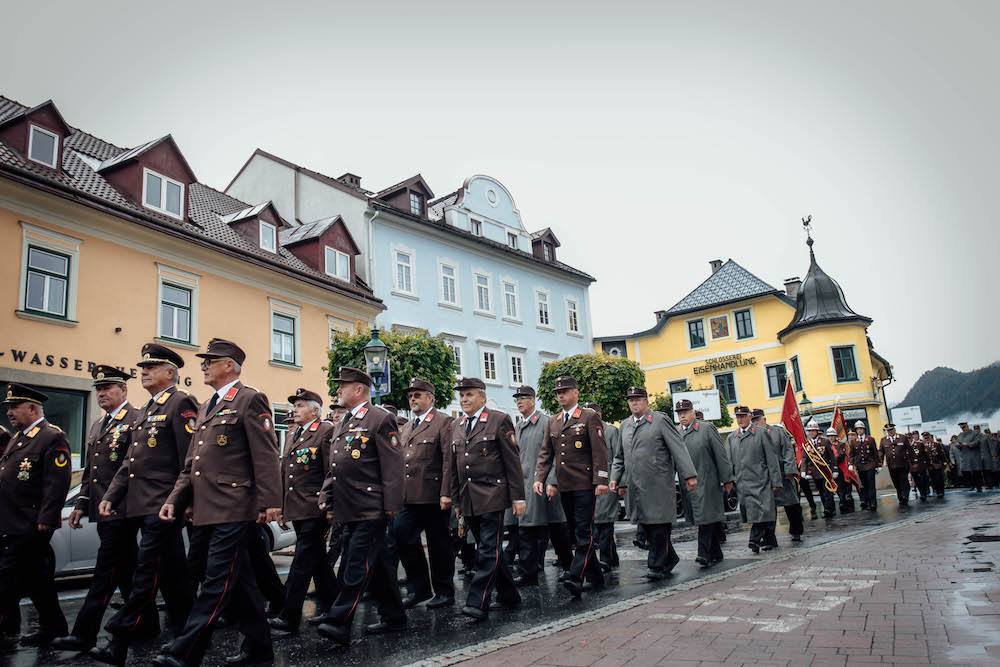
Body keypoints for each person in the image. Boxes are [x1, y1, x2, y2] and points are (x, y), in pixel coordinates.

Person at [152, 338, 282, 667]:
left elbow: (265, 454)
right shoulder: (209, 404)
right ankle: (259, 649)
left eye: (210, 360)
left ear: (229, 365)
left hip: (235, 505)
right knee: (240, 584)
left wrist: (270, 501)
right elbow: (193, 461)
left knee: (217, 580)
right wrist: (176, 499)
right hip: (209, 508)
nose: (203, 365)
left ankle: (186, 651)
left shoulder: (250, 399)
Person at [90, 344, 197, 666]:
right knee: (174, 573)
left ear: (170, 373)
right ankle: (185, 632)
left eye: (151, 368)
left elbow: (188, 459)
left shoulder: (180, 403)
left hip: (164, 503)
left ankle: (119, 639)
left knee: (145, 571)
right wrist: (111, 495)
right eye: (142, 368)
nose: (144, 372)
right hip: (140, 503)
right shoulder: (147, 409)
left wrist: (184, 501)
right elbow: (129, 464)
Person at [54, 366, 158, 653]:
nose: (101, 394)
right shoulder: (98, 425)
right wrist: (82, 503)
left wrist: (114, 500)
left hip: (123, 508)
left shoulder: (137, 418)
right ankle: (148, 624)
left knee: (105, 571)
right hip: (101, 508)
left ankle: (84, 633)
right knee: (127, 570)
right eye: (98, 389)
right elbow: (92, 471)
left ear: (123, 390)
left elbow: (136, 466)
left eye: (107, 388)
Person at [315, 367, 406, 645]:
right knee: (373, 564)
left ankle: (338, 622)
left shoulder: (380, 418)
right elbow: (335, 466)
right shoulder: (344, 422)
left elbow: (393, 466)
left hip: (371, 506)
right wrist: (327, 498)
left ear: (358, 390)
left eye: (343, 386)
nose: (338, 390)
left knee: (356, 563)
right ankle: (394, 615)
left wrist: (391, 505)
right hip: (348, 506)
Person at [444, 377, 524, 622]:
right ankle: (509, 594)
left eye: (469, 395)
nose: (464, 399)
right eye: (461, 395)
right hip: (468, 499)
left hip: (493, 496)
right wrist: (456, 500)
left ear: (482, 397)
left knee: (487, 551)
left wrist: (518, 497)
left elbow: (512, 462)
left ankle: (477, 602)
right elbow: (454, 466)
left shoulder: (499, 420)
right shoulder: (457, 425)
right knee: (490, 550)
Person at [0, 384, 72, 647]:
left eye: (14, 407)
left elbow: (57, 483)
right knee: (36, 580)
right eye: (7, 408)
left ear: (32, 408)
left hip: (29, 523)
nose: (9, 412)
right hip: (10, 520)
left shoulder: (51, 437)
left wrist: (46, 518)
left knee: (6, 577)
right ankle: (54, 627)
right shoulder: (19, 438)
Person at [268, 388, 338, 634]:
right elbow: (286, 473)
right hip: (297, 508)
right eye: (294, 406)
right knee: (318, 562)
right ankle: (334, 608)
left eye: (299, 406)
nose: (294, 410)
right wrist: (283, 508)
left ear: (315, 411)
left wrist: (329, 506)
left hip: (314, 508)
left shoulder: (326, 431)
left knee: (301, 563)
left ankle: (289, 616)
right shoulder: (294, 434)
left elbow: (332, 471)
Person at [535, 376, 611, 595]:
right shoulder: (554, 421)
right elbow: (546, 453)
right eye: (558, 392)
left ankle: (575, 575)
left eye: (565, 391)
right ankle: (595, 575)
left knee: (583, 531)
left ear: (576, 393)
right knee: (575, 531)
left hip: (585, 484)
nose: (561, 395)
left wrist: (601, 480)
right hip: (565, 485)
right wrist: (540, 478)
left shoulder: (589, 416)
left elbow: (600, 451)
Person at [611, 386, 696, 579]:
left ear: (646, 401)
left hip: (658, 485)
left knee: (659, 525)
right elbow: (619, 456)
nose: (634, 403)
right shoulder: (625, 425)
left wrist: (689, 475)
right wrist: (615, 478)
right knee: (648, 526)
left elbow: (678, 448)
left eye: (638, 399)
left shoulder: (659, 420)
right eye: (631, 400)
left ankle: (656, 565)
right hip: (636, 486)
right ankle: (670, 558)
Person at [394, 378, 456, 609]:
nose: (412, 399)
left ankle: (444, 591)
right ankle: (419, 588)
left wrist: (446, 492)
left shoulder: (443, 422)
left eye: (417, 395)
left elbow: (449, 460)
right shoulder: (408, 427)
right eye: (410, 396)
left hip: (433, 494)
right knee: (402, 535)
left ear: (430, 398)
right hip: (409, 495)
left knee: (439, 544)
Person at [509, 386, 571, 586]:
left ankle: (570, 567)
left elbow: (556, 455)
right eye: (517, 399)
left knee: (556, 527)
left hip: (545, 484)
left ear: (533, 400)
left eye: (524, 398)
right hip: (526, 486)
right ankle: (529, 573)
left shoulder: (546, 422)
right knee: (526, 529)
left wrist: (552, 480)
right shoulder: (518, 427)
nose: (519, 402)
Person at [676, 400, 732, 565]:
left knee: (705, 517)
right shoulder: (677, 432)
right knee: (706, 517)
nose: (682, 416)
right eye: (680, 413)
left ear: (693, 412)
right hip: (688, 484)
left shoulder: (706, 429)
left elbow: (720, 455)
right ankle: (716, 551)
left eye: (685, 412)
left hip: (707, 481)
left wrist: (727, 478)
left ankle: (704, 554)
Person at [726, 406, 781, 553]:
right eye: (737, 417)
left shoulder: (761, 434)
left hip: (761, 481)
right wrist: (728, 480)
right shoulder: (732, 437)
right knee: (756, 513)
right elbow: (729, 462)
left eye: (743, 416)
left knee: (762, 512)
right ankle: (770, 541)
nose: (740, 419)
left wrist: (776, 481)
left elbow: (772, 459)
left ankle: (754, 540)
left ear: (750, 417)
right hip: (743, 483)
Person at [752, 410, 802, 543]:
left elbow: (787, 451)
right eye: (753, 421)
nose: (756, 423)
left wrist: (790, 470)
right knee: (767, 509)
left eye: (758, 420)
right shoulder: (752, 436)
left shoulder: (777, 432)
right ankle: (769, 538)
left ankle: (796, 531)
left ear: (764, 419)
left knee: (791, 505)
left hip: (782, 474)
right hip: (765, 478)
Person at [586, 402, 621, 572]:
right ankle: (612, 558)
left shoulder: (611, 431)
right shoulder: (587, 431)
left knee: (605, 521)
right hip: (591, 482)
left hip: (607, 481)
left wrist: (619, 481)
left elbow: (618, 458)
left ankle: (606, 559)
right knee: (598, 522)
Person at [851, 421, 881, 511]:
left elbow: (875, 453)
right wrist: (851, 463)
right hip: (860, 466)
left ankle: (873, 503)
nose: (859, 431)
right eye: (858, 429)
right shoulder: (853, 442)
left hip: (870, 464)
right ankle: (867, 502)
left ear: (864, 430)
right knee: (864, 485)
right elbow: (852, 454)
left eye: (861, 429)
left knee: (871, 485)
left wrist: (878, 464)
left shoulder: (870, 440)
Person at [881, 423, 912, 505]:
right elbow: (881, 452)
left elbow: (909, 450)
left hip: (902, 464)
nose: (890, 432)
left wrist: (911, 461)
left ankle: (905, 495)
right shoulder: (884, 440)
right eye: (888, 431)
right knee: (896, 482)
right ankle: (900, 496)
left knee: (903, 480)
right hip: (891, 465)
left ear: (894, 430)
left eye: (891, 430)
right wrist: (879, 463)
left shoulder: (902, 438)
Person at [828, 429, 856, 514]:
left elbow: (840, 455)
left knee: (841, 486)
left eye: (832, 436)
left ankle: (842, 501)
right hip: (829, 469)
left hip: (839, 468)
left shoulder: (840, 444)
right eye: (829, 436)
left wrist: (831, 460)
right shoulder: (826, 445)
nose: (831, 438)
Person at [954, 422, 982, 492]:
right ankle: (972, 484)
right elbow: (957, 442)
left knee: (976, 472)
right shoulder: (960, 435)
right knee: (966, 472)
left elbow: (977, 442)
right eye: (962, 428)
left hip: (974, 455)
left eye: (964, 427)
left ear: (967, 426)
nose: (963, 429)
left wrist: (968, 444)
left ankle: (979, 486)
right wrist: (958, 445)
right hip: (964, 455)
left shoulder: (975, 433)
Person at [909, 430, 931, 501]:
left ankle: (923, 493)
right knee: (917, 480)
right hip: (913, 466)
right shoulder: (907, 446)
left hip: (921, 465)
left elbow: (925, 454)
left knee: (923, 478)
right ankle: (921, 491)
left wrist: (927, 463)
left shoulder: (920, 444)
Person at [925, 432, 948, 499]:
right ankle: (936, 491)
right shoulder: (924, 446)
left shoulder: (936, 445)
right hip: (930, 466)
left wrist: (944, 463)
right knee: (933, 479)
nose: (927, 439)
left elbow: (942, 454)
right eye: (925, 438)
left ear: (931, 438)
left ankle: (941, 492)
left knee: (939, 479)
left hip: (937, 464)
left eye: (928, 438)